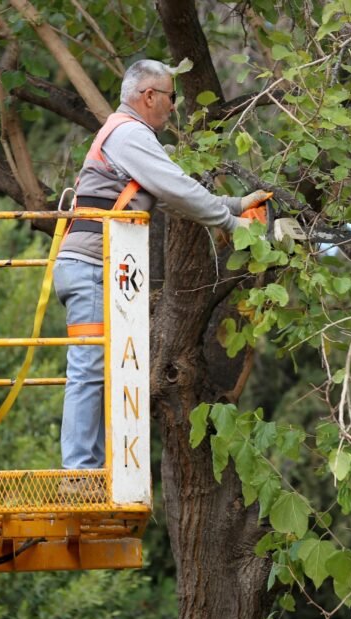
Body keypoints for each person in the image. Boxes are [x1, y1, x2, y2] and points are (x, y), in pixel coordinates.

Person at [54, 59, 269, 471]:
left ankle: (89, 470)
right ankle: (80, 472)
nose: (175, 106)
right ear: (149, 96)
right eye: (172, 97)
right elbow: (177, 187)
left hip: (97, 269)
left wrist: (237, 205)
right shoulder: (129, 133)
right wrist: (232, 223)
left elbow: (171, 197)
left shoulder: (129, 137)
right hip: (92, 267)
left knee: (99, 371)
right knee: (89, 369)